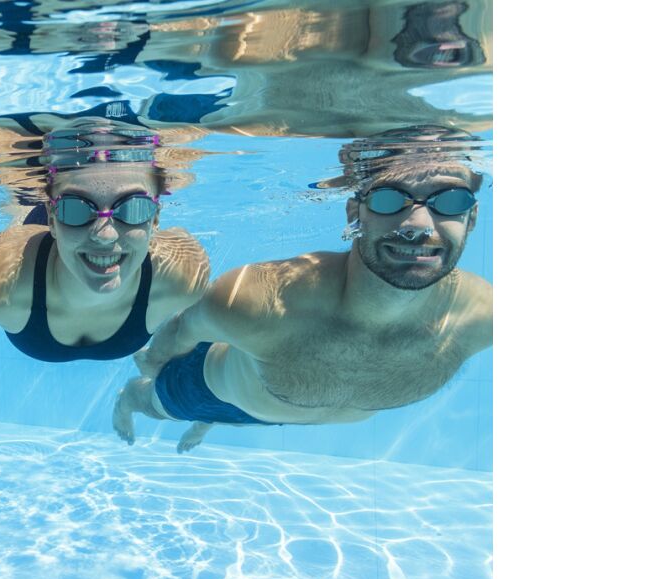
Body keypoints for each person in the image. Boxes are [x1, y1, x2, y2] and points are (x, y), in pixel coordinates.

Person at [113, 125, 492, 451]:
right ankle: (129, 400)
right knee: (153, 403)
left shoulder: (483, 318)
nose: (418, 225)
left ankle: (207, 424)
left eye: (450, 201)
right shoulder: (260, 302)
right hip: (211, 391)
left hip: (272, 401)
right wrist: (155, 363)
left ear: (471, 218)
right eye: (388, 199)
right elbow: (183, 329)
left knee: (246, 409)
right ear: (354, 214)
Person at [0, 119, 210, 362]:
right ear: (52, 220)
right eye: (76, 208)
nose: (105, 234)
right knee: (20, 213)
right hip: (30, 238)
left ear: (155, 218)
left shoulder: (183, 278)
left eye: (133, 208)